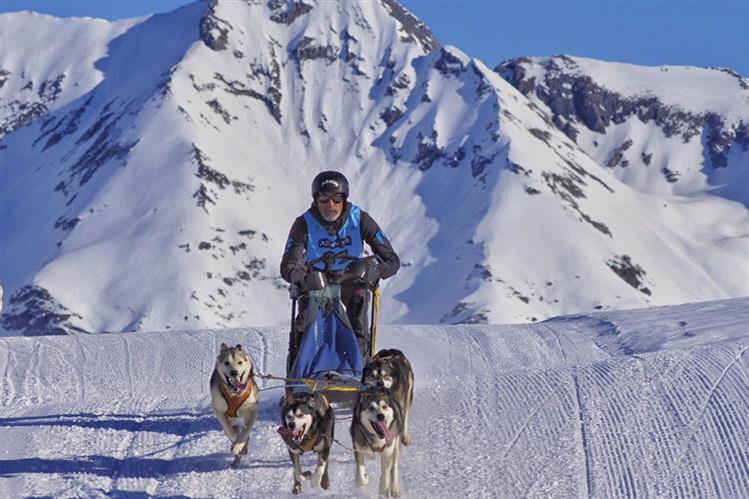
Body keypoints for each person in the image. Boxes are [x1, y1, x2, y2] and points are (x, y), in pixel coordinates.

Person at [280, 171, 400, 373]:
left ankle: (359, 374)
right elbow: (287, 266)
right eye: (324, 200)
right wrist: (301, 277)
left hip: (352, 281)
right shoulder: (303, 224)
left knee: (357, 322)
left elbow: (392, 260)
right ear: (316, 200)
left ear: (344, 199)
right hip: (316, 283)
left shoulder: (359, 219)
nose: (331, 206)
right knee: (305, 327)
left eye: (337, 200)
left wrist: (375, 271)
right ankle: (298, 379)